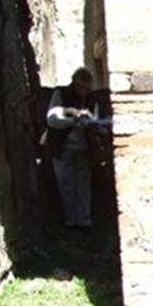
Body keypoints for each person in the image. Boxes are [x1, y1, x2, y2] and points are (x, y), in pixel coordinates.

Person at [45, 67, 106, 229]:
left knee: (84, 187)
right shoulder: (61, 94)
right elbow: (52, 120)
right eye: (82, 88)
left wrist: (90, 121)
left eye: (88, 88)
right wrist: (72, 121)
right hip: (62, 149)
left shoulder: (92, 100)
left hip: (84, 149)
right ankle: (70, 222)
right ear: (74, 83)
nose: (85, 92)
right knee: (67, 186)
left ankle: (84, 221)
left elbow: (97, 122)